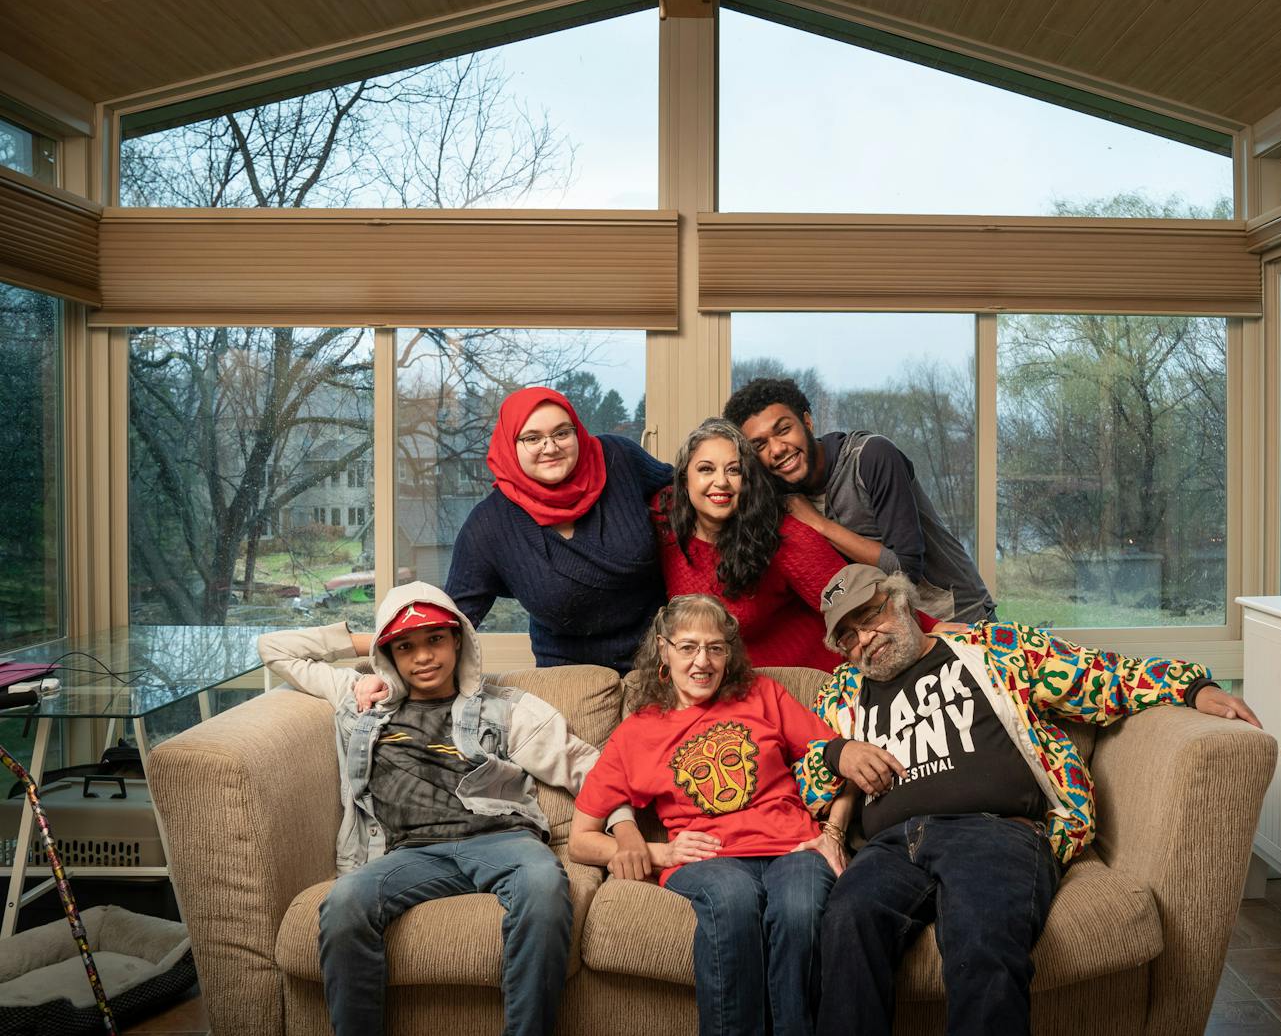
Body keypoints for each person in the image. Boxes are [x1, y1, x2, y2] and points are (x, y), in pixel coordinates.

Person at [809, 563, 1261, 1036]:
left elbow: (1099, 675)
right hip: (890, 847)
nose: (864, 639)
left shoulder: (991, 648)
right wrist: (839, 751)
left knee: (982, 936)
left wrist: (1193, 687)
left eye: (871, 616)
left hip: (993, 831)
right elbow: (807, 775)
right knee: (844, 925)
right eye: (848, 636)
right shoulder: (842, 692)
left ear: (900, 601)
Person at [257, 581, 644, 1036]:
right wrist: (375, 644)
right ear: (390, 655)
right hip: (407, 854)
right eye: (406, 647)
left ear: (458, 638)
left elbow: (590, 768)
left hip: (502, 842)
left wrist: (624, 828)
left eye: (435, 639)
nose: (423, 657)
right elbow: (273, 647)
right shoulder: (362, 698)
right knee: (343, 902)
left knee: (543, 883)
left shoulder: (504, 709)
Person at [570, 593, 880, 1036]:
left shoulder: (764, 694)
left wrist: (833, 832)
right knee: (733, 901)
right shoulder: (636, 732)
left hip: (793, 844)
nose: (703, 662)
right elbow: (580, 839)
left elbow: (840, 762)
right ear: (664, 649)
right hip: (708, 859)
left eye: (716, 647)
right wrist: (660, 852)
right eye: (688, 647)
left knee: (800, 907)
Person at [655, 417, 934, 673]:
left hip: (807, 683)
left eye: (734, 470)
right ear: (684, 479)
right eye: (706, 469)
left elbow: (855, 595)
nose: (721, 482)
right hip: (727, 689)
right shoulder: (664, 524)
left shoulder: (778, 534)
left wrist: (935, 630)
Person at [724, 376, 995, 624]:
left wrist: (818, 524)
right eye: (759, 445)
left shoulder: (871, 456)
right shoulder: (775, 492)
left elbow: (905, 570)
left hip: (957, 617)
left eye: (783, 430)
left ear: (807, 422)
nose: (777, 449)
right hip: (890, 630)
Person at [445, 386, 672, 672]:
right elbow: (449, 622)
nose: (550, 448)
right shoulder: (489, 525)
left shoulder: (619, 458)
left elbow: (689, 498)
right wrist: (392, 677)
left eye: (562, 433)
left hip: (664, 661)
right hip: (572, 679)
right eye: (532, 438)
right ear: (509, 445)